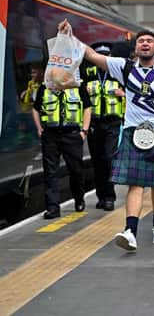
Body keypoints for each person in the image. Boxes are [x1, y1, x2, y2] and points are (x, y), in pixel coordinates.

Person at [82, 28, 154, 252]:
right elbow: (91, 55)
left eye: (149, 41)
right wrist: (68, 36)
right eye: (141, 41)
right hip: (134, 132)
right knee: (136, 183)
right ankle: (130, 230)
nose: (145, 44)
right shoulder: (125, 67)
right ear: (136, 47)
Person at [32, 25, 92, 219]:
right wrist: (40, 128)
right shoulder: (45, 88)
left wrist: (83, 130)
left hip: (72, 134)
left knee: (75, 170)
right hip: (50, 134)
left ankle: (79, 198)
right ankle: (52, 207)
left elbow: (87, 107)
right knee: (50, 172)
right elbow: (36, 108)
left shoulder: (77, 87)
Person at [81, 42, 125, 211]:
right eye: (101, 56)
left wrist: (123, 93)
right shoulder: (88, 75)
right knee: (97, 160)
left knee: (108, 157)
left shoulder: (118, 75)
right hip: (93, 123)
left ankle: (109, 197)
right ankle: (101, 196)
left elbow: (136, 93)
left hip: (112, 122)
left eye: (107, 56)